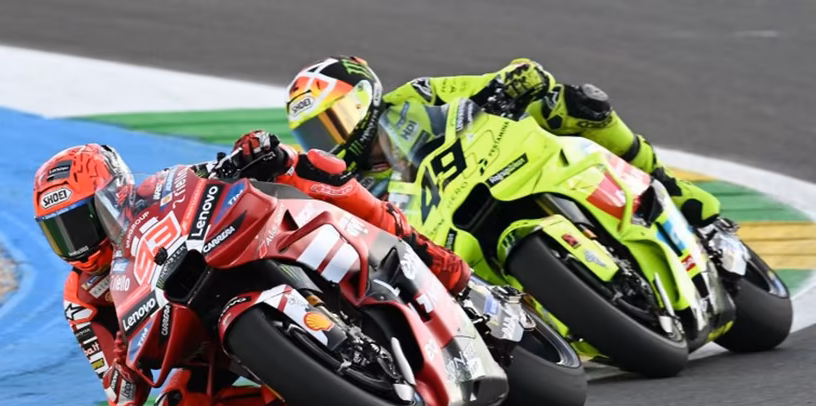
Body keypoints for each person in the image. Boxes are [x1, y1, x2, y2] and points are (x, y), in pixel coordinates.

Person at [32, 139, 470, 406]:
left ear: (114, 195)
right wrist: (126, 364)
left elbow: (212, 176)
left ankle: (423, 251)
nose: (77, 244)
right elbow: (120, 397)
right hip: (199, 337)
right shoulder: (81, 299)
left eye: (81, 222)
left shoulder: (159, 187)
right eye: (60, 233)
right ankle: (305, 403)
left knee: (307, 167)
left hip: (240, 254)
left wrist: (252, 154)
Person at [282, 56, 721, 227]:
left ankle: (662, 181)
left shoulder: (412, 98)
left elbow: (484, 83)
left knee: (572, 103)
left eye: (335, 119)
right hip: (446, 237)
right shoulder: (343, 182)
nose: (332, 136)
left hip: (491, 165)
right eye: (318, 131)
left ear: (364, 98)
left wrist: (510, 82)